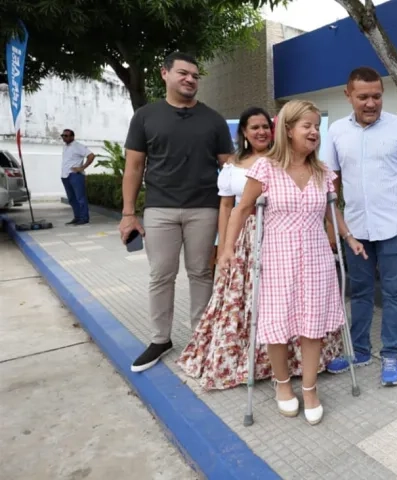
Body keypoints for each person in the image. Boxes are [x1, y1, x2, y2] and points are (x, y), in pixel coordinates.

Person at [218, 99, 366, 425]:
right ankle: (283, 385)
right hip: (276, 257)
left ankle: (310, 389)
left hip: (316, 257)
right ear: (288, 129)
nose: (314, 132)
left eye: (317, 126)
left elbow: (333, 211)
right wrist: (227, 249)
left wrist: (349, 237)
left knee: (312, 327)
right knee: (277, 327)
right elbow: (241, 209)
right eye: (307, 125)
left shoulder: (323, 172)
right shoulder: (265, 168)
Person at [177, 106, 346, 390]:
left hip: (287, 236)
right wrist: (223, 246)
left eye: (265, 126)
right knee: (254, 307)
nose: (260, 131)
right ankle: (253, 364)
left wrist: (341, 234)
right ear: (243, 132)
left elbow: (327, 209)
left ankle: (301, 374)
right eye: (253, 127)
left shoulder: (297, 164)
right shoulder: (236, 166)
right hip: (252, 241)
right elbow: (229, 208)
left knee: (299, 308)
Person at [120, 51, 235, 373]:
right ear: (165, 74)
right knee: (161, 275)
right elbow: (134, 166)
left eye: (195, 76)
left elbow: (229, 166)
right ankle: (160, 339)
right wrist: (129, 214)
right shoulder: (145, 116)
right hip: (159, 209)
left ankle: (202, 335)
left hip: (204, 208)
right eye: (183, 73)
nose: (190, 79)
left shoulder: (212, 119)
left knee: (200, 273)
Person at [322, 67, 397, 387]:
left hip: (394, 224)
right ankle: (361, 351)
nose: (371, 103)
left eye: (377, 96)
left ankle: (391, 353)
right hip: (355, 229)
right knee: (361, 291)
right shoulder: (337, 131)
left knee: (394, 293)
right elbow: (332, 181)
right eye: (363, 97)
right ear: (348, 95)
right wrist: (332, 225)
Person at [60, 129, 95, 226]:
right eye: (63, 135)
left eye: (66, 136)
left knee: (80, 198)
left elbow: (91, 155)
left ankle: (84, 218)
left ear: (72, 137)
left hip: (75, 175)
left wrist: (82, 167)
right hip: (65, 175)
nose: (64, 137)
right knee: (71, 198)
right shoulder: (65, 147)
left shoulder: (78, 146)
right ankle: (77, 217)